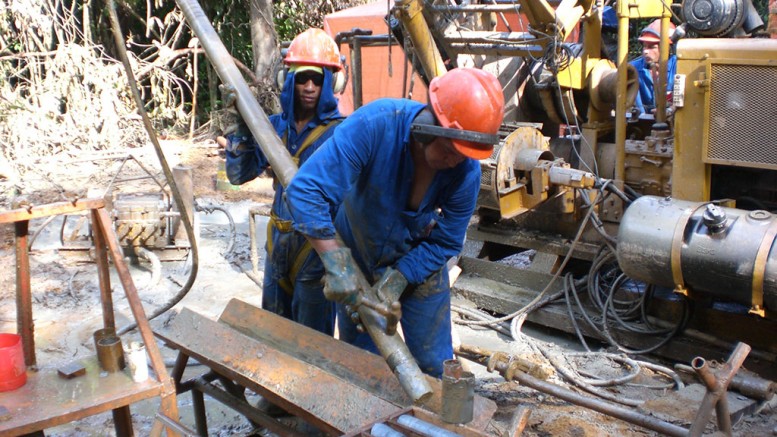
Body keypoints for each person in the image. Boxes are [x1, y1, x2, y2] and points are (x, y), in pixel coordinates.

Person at [285, 68, 505, 378]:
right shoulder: (374, 126)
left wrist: (399, 279)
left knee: (433, 364)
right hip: (357, 255)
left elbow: (446, 242)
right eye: (450, 150)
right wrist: (336, 261)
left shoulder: (465, 174)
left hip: (419, 265)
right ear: (426, 127)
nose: (456, 161)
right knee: (366, 363)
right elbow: (305, 192)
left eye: (465, 155)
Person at [219, 28, 345, 336]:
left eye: (319, 79)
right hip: (277, 245)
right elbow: (238, 176)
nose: (310, 87)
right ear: (287, 80)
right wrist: (244, 128)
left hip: (314, 250)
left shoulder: (341, 134)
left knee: (312, 343)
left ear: (333, 83)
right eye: (303, 78)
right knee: (273, 335)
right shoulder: (273, 129)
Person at [630, 19, 677, 115]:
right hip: (641, 123)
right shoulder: (633, 69)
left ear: (667, 48)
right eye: (644, 46)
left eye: (651, 47)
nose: (645, 51)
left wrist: (670, 110)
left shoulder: (678, 65)